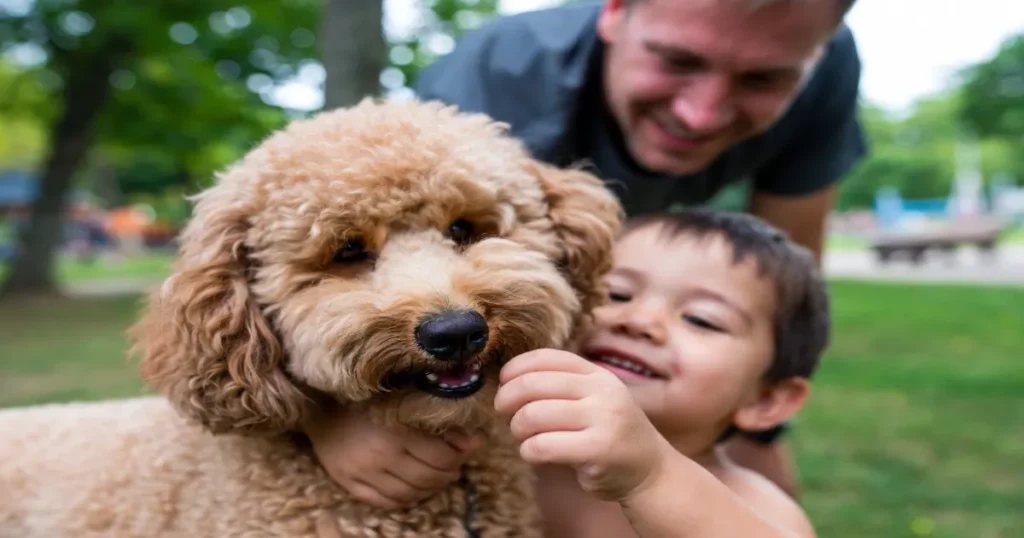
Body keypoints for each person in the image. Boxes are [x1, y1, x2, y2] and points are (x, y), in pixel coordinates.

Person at [307, 0, 864, 497]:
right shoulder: (499, 78)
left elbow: (787, 277)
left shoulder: (823, 58)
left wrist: (758, 427)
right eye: (677, 61)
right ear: (615, 10)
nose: (703, 113)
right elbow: (354, 263)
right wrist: (327, 421)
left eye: (762, 80)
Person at [303, 209, 831, 538]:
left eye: (701, 319)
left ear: (768, 401)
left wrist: (651, 474)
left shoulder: (753, 504)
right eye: (618, 294)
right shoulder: (491, 443)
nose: (639, 321)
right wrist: (330, 426)